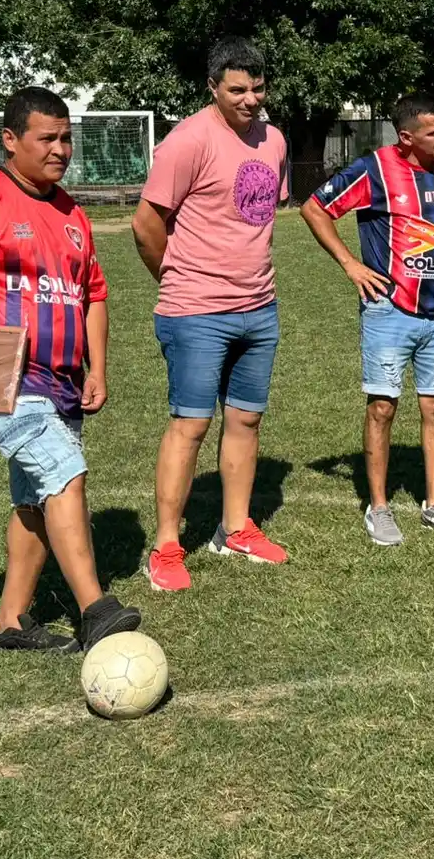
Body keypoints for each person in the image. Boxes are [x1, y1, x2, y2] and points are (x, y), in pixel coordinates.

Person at [0, 86, 142, 652]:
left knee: (35, 498)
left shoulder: (72, 213)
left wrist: (99, 368)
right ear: (10, 140)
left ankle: (10, 622)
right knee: (64, 471)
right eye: (47, 138)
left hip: (63, 382)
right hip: (3, 379)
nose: (60, 149)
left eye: (66, 137)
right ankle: (94, 608)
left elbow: (93, 294)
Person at [133, 37, 290, 591]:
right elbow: (146, 224)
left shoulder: (274, 140)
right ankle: (167, 546)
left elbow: (257, 215)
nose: (250, 99)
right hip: (196, 311)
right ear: (213, 88)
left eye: (258, 88)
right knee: (191, 425)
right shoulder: (188, 140)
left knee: (246, 420)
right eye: (237, 90)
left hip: (259, 307)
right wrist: (177, 280)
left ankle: (236, 528)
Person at [300, 93, 434, 546]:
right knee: (382, 407)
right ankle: (378, 508)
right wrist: (351, 265)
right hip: (389, 311)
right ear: (406, 137)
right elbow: (315, 208)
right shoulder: (375, 169)